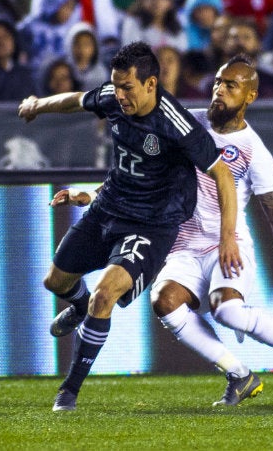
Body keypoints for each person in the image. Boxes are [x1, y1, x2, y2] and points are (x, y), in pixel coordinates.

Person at [17, 41, 242, 412]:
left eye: (127, 88)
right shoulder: (112, 96)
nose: (119, 95)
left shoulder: (176, 123)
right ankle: (77, 307)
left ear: (151, 84)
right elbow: (76, 99)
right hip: (110, 207)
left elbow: (223, 176)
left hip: (152, 224)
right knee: (55, 281)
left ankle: (68, 391)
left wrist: (227, 238)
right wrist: (36, 106)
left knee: (104, 295)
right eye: (115, 86)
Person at [148, 57, 273, 408]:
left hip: (229, 245)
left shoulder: (254, 151)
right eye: (217, 83)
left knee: (227, 312)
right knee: (163, 302)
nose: (219, 91)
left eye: (230, 86)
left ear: (250, 96)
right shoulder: (187, 124)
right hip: (184, 248)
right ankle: (239, 373)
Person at [120, 0, 188, 52]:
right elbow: (131, 56)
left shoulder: (176, 27)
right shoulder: (133, 22)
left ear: (169, 2)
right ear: (143, 0)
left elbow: (183, 54)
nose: (156, 1)